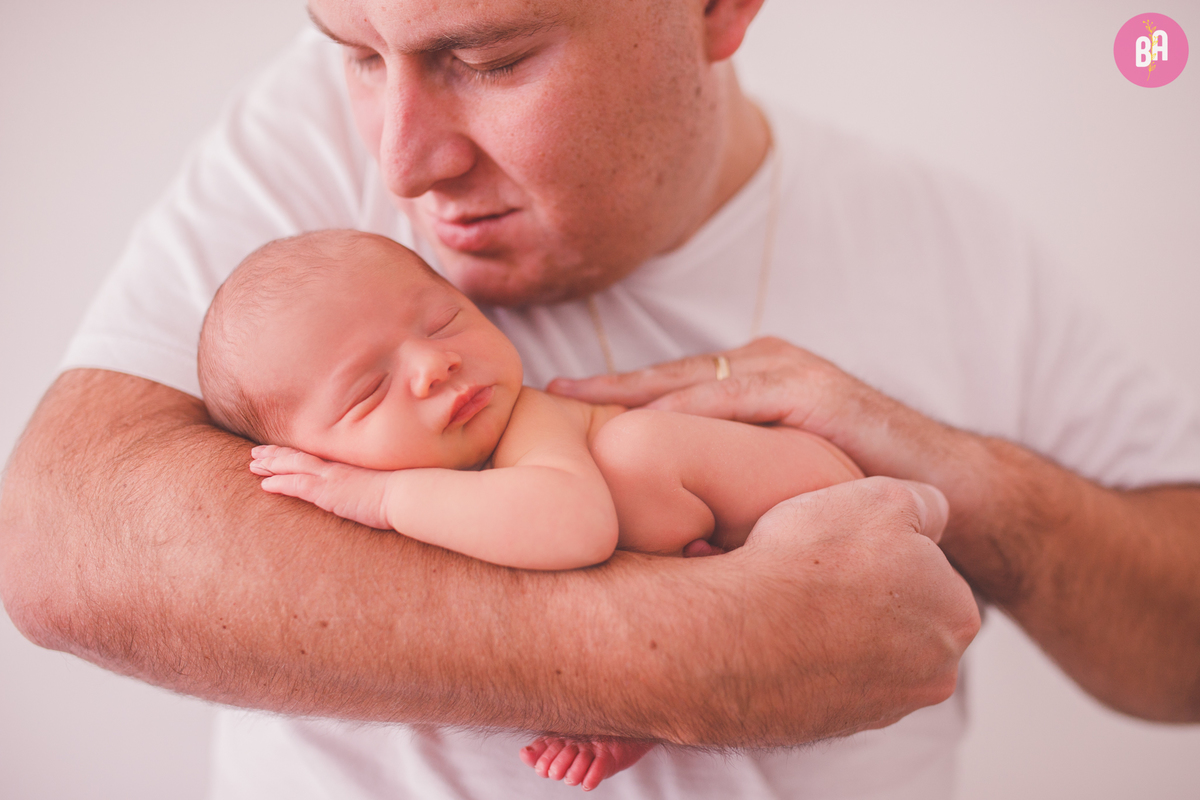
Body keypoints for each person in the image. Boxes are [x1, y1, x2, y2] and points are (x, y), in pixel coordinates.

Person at [0, 1, 1196, 798]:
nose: (401, 161)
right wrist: (681, 655)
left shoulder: (951, 240)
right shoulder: (301, 161)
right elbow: (58, 541)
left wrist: (956, 477)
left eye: (493, 57)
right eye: (354, 51)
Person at [200, 228, 862, 788]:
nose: (435, 363)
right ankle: (641, 716)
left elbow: (575, 526)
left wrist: (381, 496)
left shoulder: (529, 421)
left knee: (634, 448)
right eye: (370, 389)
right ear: (313, 456)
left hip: (823, 498)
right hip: (751, 582)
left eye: (443, 321)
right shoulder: (460, 487)